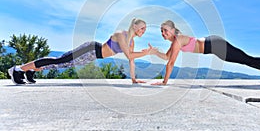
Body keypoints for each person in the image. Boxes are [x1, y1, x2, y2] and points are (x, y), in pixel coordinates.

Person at [9, 18, 155, 85]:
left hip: (93, 56)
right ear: (134, 27)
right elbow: (130, 54)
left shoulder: (132, 41)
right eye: (142, 27)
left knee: (63, 65)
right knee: (60, 60)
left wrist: (134, 79)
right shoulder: (121, 34)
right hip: (90, 49)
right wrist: (147, 53)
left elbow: (131, 59)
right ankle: (17, 69)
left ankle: (31, 70)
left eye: (145, 29)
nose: (144, 30)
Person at [151, 20, 260, 86]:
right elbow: (167, 57)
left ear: (172, 30)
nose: (163, 33)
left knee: (248, 59)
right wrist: (155, 52)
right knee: (245, 60)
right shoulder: (175, 42)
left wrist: (164, 82)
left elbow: (171, 62)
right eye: (161, 31)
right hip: (214, 48)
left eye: (165, 30)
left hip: (215, 45)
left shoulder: (178, 40)